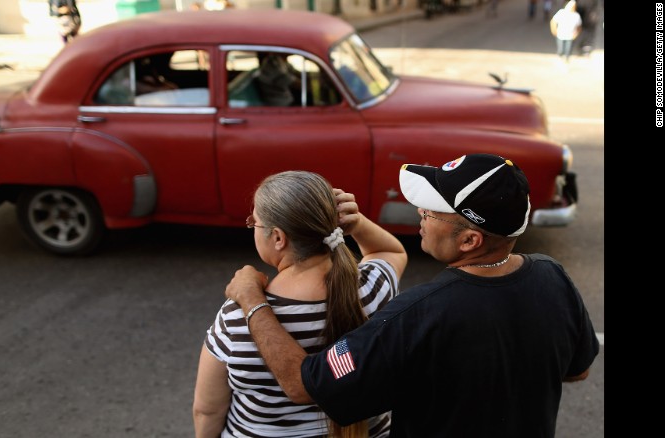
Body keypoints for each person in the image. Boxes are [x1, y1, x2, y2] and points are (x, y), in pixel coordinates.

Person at [224, 154, 600, 437]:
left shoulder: (416, 316)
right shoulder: (553, 277)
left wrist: (252, 300)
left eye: (433, 210)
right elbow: (578, 368)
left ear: (469, 240)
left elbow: (304, 384)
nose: (420, 212)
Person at [193, 170, 408, 437]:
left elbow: (207, 410)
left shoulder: (239, 316)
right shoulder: (373, 288)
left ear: (279, 238)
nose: (253, 228)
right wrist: (358, 223)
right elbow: (390, 251)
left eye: (255, 222)